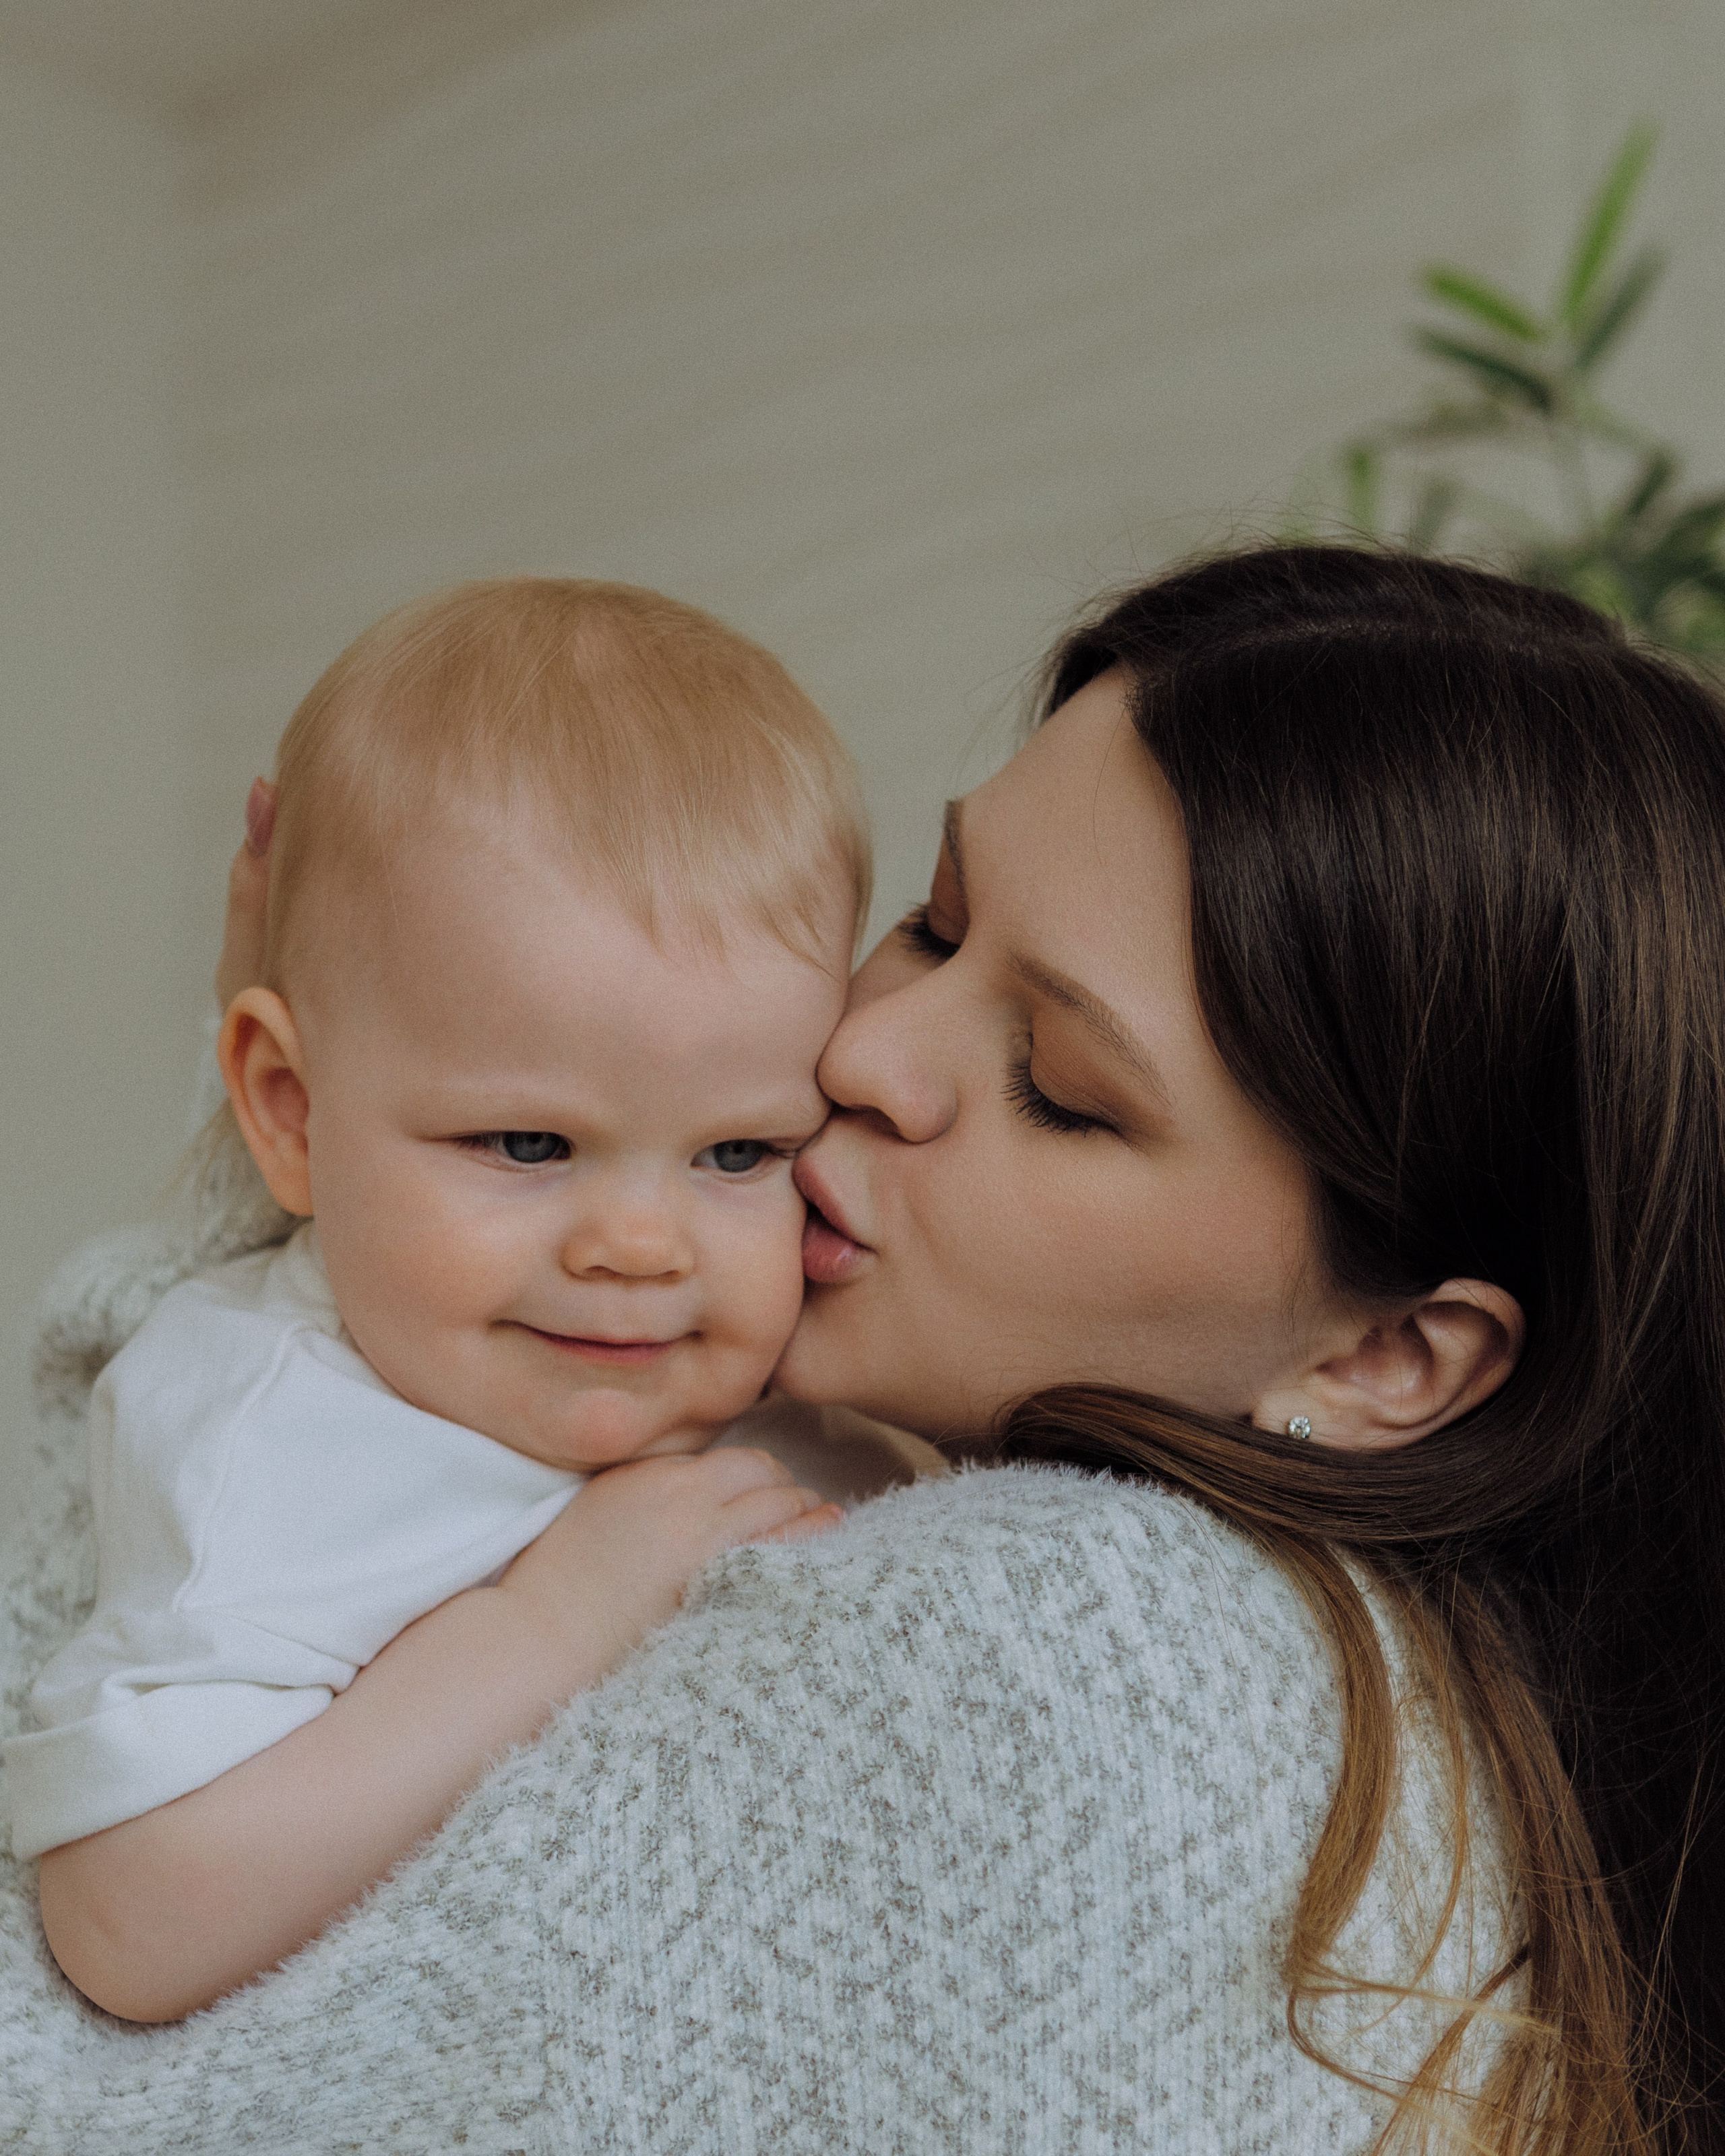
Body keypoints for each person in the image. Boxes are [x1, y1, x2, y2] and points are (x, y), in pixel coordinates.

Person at [1, 545, 1718, 2155]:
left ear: (1390, 1358)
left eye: (1057, 1083)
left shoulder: (1066, 1657)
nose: (866, 1050)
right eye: (935, 919)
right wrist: (359, 1047)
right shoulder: (751, 1390)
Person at [7, 577, 887, 2021]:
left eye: (739, 1150)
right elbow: (128, 1915)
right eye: (528, 1145)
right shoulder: (267, 1434)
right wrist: (542, 1629)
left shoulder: (807, 1341)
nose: (638, 1245)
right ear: (288, 1114)